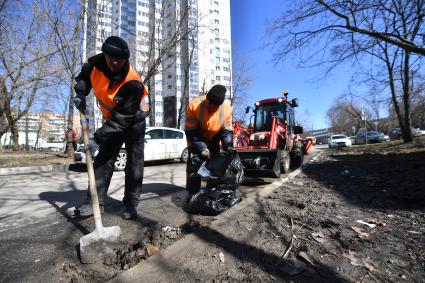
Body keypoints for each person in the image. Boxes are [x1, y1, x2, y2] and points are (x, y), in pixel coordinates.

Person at [73, 36, 149, 219]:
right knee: (104, 159)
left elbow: (121, 120)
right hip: (114, 118)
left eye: (120, 59)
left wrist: (96, 139)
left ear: (126, 59)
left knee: (134, 162)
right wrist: (81, 94)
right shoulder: (93, 65)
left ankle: (131, 204)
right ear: (104, 54)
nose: (115, 62)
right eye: (111, 57)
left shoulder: (133, 82)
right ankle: (94, 203)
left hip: (134, 121)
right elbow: (83, 80)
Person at [184, 84, 233, 207]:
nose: (211, 107)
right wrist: (201, 147)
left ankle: (211, 192)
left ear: (220, 104)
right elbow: (191, 131)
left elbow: (226, 131)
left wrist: (228, 145)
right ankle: (192, 193)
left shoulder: (226, 110)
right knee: (194, 167)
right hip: (196, 138)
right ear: (207, 98)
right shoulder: (194, 105)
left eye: (215, 105)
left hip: (213, 139)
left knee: (214, 167)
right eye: (209, 102)